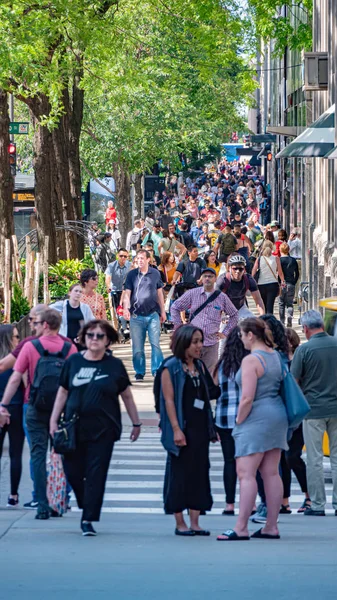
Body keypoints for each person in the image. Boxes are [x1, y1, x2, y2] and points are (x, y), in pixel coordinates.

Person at [49, 320, 141, 536]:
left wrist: (136, 423)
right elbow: (62, 392)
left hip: (104, 429)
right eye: (91, 335)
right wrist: (54, 420)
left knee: (96, 474)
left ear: (108, 340)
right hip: (73, 427)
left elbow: (126, 395)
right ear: (84, 338)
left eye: (100, 336)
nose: (94, 339)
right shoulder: (73, 362)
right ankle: (84, 502)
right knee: (73, 472)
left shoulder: (114, 366)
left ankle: (88, 518)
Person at [0, 309, 77, 520]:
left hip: (35, 407)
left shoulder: (31, 346)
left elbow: (16, 378)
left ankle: (42, 504)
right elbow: (76, 380)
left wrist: (4, 404)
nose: (33, 326)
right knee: (61, 455)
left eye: (36, 323)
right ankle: (60, 500)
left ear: (44, 325)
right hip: (61, 409)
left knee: (37, 455)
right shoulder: (69, 347)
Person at [217, 318, 288, 541]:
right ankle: (271, 526)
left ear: (250, 335)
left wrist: (239, 421)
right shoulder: (275, 355)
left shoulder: (251, 361)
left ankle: (241, 527)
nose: (240, 339)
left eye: (241, 335)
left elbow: (247, 397)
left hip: (256, 417)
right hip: (277, 415)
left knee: (246, 474)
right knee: (272, 472)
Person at [160, 325, 220, 535]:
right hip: (182, 429)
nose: (199, 346)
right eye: (195, 341)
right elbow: (168, 401)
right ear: (183, 342)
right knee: (179, 475)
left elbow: (209, 394)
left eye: (200, 341)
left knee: (199, 473)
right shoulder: (171, 367)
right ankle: (180, 523)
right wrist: (176, 429)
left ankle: (195, 522)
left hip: (200, 430)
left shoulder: (200, 367)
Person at [291, 310, 337, 516]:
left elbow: (294, 383)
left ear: (306, 328)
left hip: (313, 410)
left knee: (315, 459)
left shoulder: (304, 350)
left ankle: (318, 504)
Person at [170, 268, 238, 374]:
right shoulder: (193, 293)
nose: (207, 279)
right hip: (193, 342)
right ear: (201, 279)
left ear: (215, 279)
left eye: (210, 276)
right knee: (191, 373)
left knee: (209, 375)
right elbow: (175, 307)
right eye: (205, 276)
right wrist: (178, 327)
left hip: (211, 344)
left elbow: (234, 315)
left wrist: (225, 333)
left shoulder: (222, 297)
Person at [214, 327, 249, 515]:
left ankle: (229, 504)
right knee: (247, 464)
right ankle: (249, 503)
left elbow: (215, 387)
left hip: (223, 417)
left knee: (229, 461)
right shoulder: (249, 363)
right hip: (245, 418)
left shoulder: (222, 364)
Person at [123, 249, 166, 380]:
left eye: (142, 258)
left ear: (148, 259)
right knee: (137, 347)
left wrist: (163, 311)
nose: (139, 261)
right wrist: (126, 308)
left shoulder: (155, 273)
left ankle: (157, 370)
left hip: (153, 314)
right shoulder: (131, 275)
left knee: (155, 344)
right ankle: (139, 371)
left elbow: (159, 293)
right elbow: (127, 293)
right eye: (138, 258)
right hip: (136, 315)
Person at [0, 324, 25, 507]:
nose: (18, 340)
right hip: (15, 409)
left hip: (2, 408)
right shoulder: (18, 360)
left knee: (15, 454)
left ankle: (14, 494)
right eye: (16, 337)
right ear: (8, 339)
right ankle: (13, 496)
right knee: (15, 454)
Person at [217, 255, 265, 319]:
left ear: (244, 270)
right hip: (224, 310)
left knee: (254, 324)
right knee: (222, 328)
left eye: (240, 269)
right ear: (229, 269)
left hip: (241, 308)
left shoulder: (249, 279)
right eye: (235, 268)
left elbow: (258, 300)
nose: (238, 271)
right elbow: (215, 301)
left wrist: (262, 317)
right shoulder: (223, 280)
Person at [252, 242, 285, 315]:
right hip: (273, 284)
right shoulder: (276, 258)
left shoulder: (259, 259)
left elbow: (253, 271)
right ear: (272, 248)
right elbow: (280, 272)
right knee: (270, 306)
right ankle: (270, 323)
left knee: (263, 306)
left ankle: (264, 322)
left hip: (261, 284)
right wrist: (283, 281)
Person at [278, 242, 299, 327]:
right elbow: (297, 273)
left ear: (280, 250)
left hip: (281, 284)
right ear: (288, 250)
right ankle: (289, 317)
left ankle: (282, 321)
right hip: (291, 283)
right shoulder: (293, 260)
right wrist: (294, 281)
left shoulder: (279, 260)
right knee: (289, 303)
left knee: (281, 303)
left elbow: (278, 272)